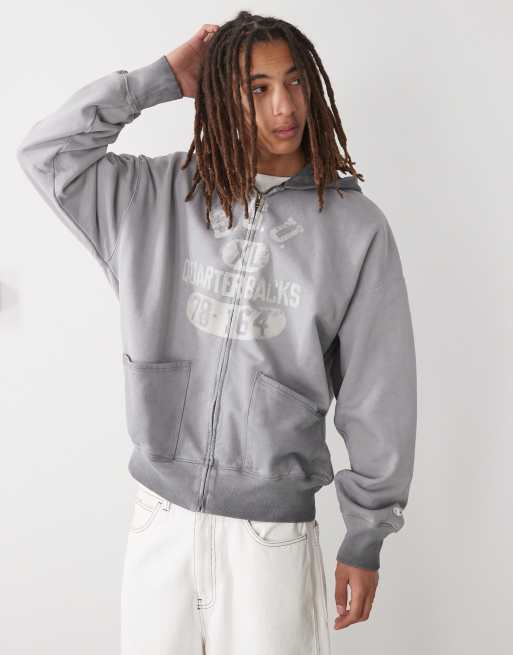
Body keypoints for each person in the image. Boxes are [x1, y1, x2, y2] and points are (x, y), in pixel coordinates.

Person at [16, 10, 417, 655]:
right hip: (160, 520)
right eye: (258, 87)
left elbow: (379, 391)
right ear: (223, 94)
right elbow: (47, 154)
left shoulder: (354, 227)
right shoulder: (152, 196)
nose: (284, 106)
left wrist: (366, 533)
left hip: (270, 538)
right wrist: (158, 80)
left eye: (295, 81)